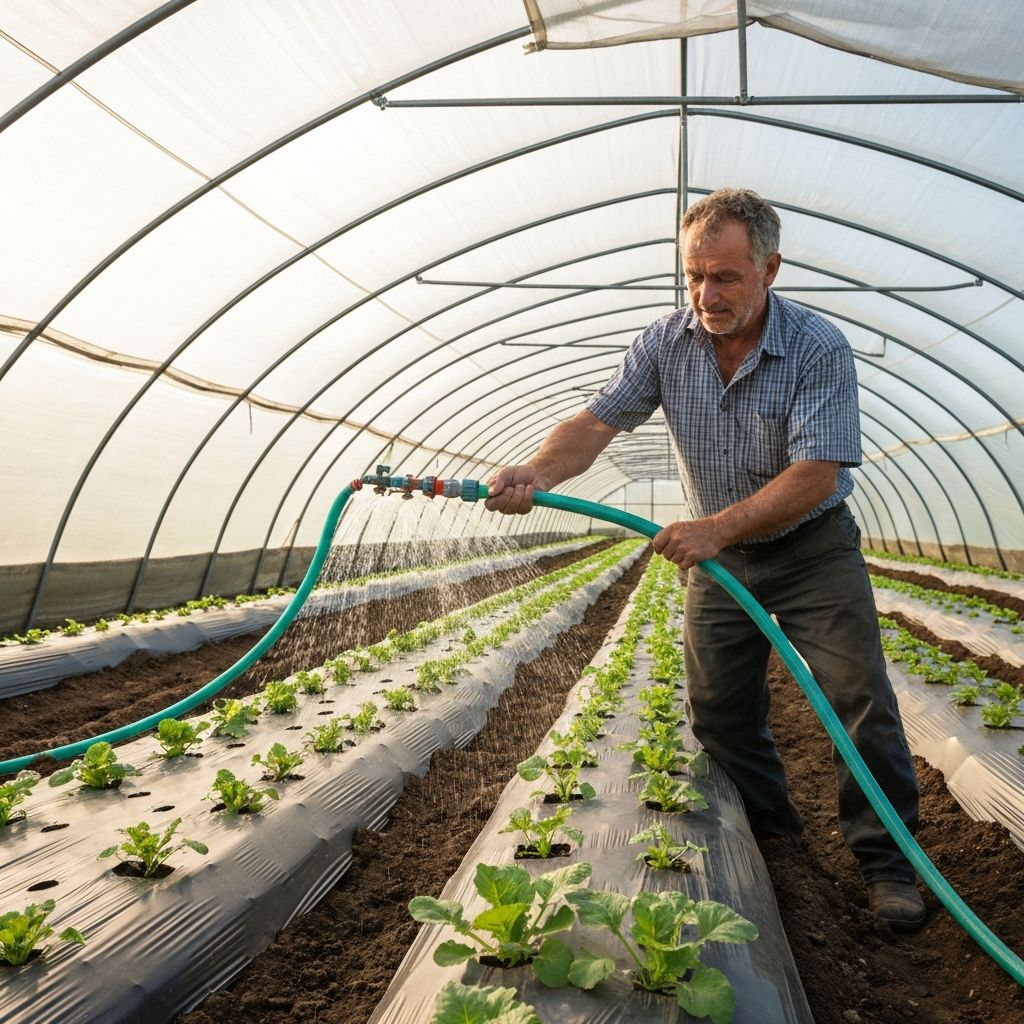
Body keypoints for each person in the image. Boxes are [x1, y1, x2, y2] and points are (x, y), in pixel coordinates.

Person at [484, 187, 926, 931]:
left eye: (724, 277)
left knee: (858, 699)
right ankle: (778, 843)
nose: (705, 294)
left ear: (769, 269)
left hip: (812, 549)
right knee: (720, 712)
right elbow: (597, 423)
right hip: (723, 565)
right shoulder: (665, 343)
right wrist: (539, 471)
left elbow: (817, 471)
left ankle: (889, 867)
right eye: (694, 275)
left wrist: (716, 527)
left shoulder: (818, 347)